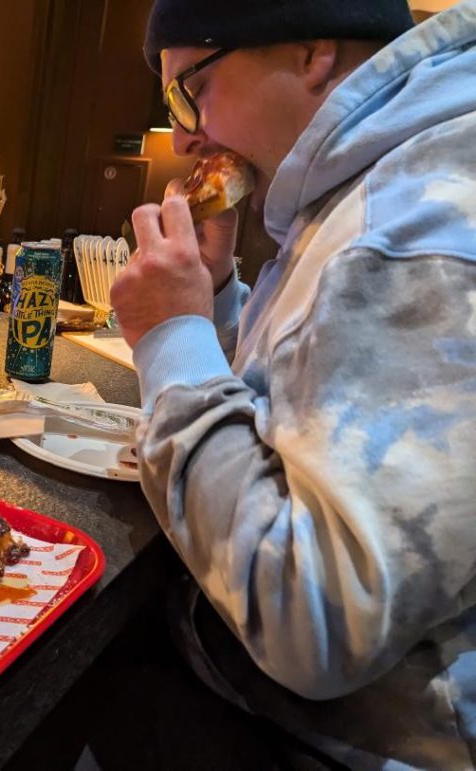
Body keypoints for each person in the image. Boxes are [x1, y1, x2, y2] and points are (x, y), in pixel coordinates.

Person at [111, 0, 476, 767]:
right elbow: (302, 408)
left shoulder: (415, 227)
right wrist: (213, 302)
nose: (182, 135)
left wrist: (172, 341)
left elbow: (315, 620)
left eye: (190, 90)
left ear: (312, 51)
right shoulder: (359, 186)